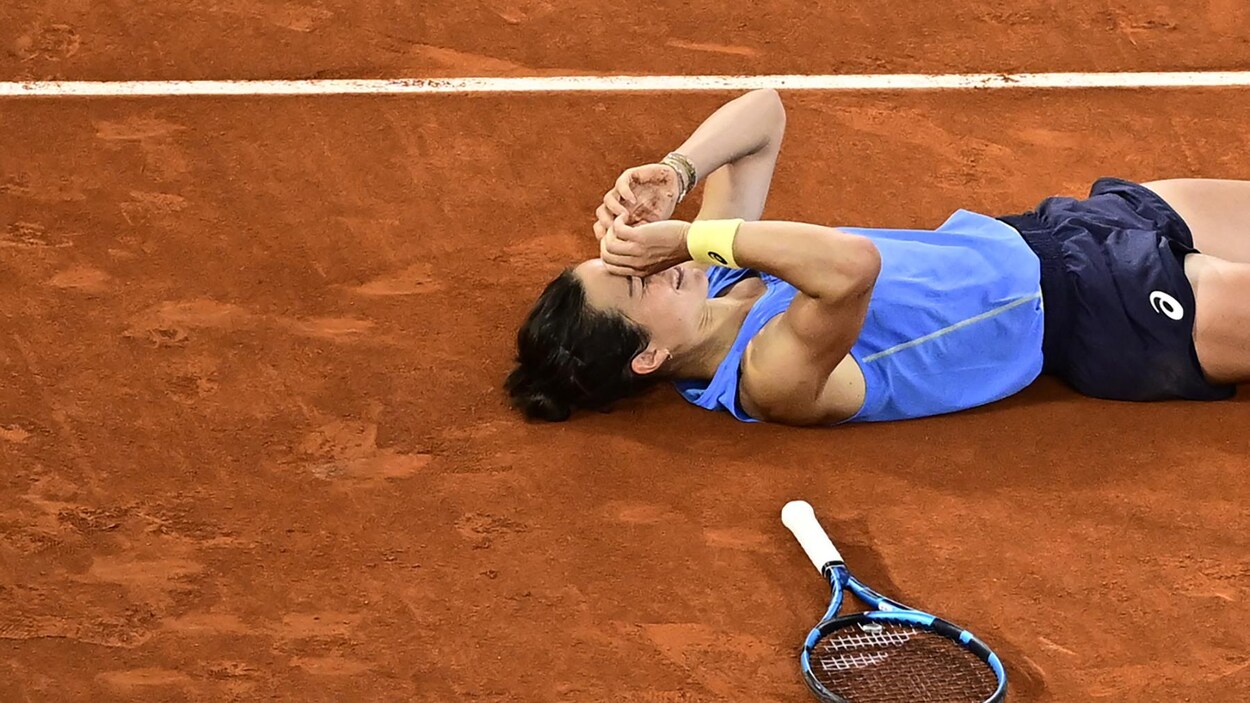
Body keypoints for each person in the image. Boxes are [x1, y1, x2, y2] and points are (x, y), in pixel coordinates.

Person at [505, 89, 1249, 425]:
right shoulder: (768, 377)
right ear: (648, 355)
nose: (651, 260)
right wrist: (692, 236)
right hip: (1110, 320)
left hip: (1058, 231)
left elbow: (765, 112)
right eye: (634, 284)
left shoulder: (723, 276)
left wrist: (679, 174)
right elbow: (848, 268)